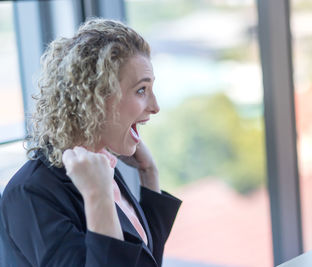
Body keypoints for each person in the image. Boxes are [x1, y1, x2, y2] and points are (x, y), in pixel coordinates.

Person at [0, 18, 181, 267]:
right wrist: (99, 198)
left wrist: (149, 175)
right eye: (141, 90)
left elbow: (143, 260)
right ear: (96, 98)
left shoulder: (99, 164)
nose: (155, 107)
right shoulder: (30, 193)